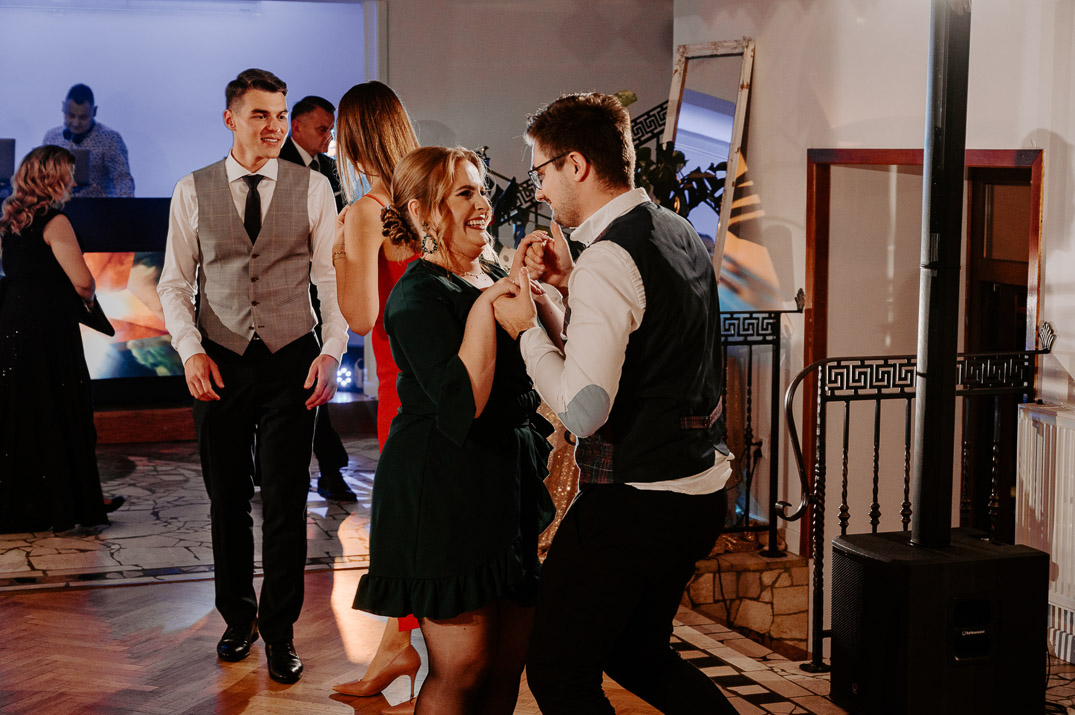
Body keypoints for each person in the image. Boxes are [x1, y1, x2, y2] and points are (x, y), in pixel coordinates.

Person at [491, 92, 737, 714]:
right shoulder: (676, 228)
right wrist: (569, 282)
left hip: (638, 502)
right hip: (700, 490)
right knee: (636, 652)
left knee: (557, 671)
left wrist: (525, 331)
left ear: (575, 165)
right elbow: (648, 330)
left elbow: (582, 412)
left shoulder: (610, 258)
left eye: (541, 171)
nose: (540, 190)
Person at [157, 68, 346, 684]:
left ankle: (281, 632)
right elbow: (175, 283)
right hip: (220, 361)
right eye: (261, 114)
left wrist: (332, 351)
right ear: (230, 119)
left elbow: (330, 278)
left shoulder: (313, 187)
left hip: (293, 359)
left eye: (281, 114)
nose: (274, 126)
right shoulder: (192, 189)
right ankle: (238, 619)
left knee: (287, 503)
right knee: (228, 500)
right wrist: (190, 351)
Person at [352, 146, 554, 715]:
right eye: (464, 193)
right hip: (441, 489)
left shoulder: (486, 275)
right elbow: (463, 404)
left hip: (502, 481)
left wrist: (534, 286)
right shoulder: (416, 295)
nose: (482, 204)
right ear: (421, 212)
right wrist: (488, 308)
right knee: (462, 667)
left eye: (481, 190)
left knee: (509, 659)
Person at [328, 81, 425, 710]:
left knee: (398, 517)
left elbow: (361, 317)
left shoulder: (369, 210)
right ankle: (397, 641)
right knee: (411, 513)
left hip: (399, 383)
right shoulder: (429, 198)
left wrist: (340, 248)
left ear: (355, 140)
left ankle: (405, 645)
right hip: (436, 375)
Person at [0, 145, 126, 533]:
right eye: (69, 173)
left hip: (12, 320)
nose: (74, 180)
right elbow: (83, 282)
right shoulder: (55, 221)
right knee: (61, 409)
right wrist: (87, 301)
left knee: (21, 412)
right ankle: (71, 500)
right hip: (48, 326)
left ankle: (28, 505)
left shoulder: (8, 221)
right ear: (55, 178)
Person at [278, 94, 351, 502]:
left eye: (330, 130)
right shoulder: (275, 166)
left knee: (316, 379)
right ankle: (324, 468)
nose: (328, 137)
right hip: (287, 293)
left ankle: (327, 468)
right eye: (322, 129)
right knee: (303, 384)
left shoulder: (330, 170)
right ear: (297, 127)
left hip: (324, 285)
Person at [42, 84, 134, 198]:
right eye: (71, 115)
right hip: (60, 206)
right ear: (63, 107)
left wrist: (124, 205)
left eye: (83, 117)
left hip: (98, 207)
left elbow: (122, 179)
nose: (76, 123)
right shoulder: (51, 138)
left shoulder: (110, 139)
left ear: (94, 112)